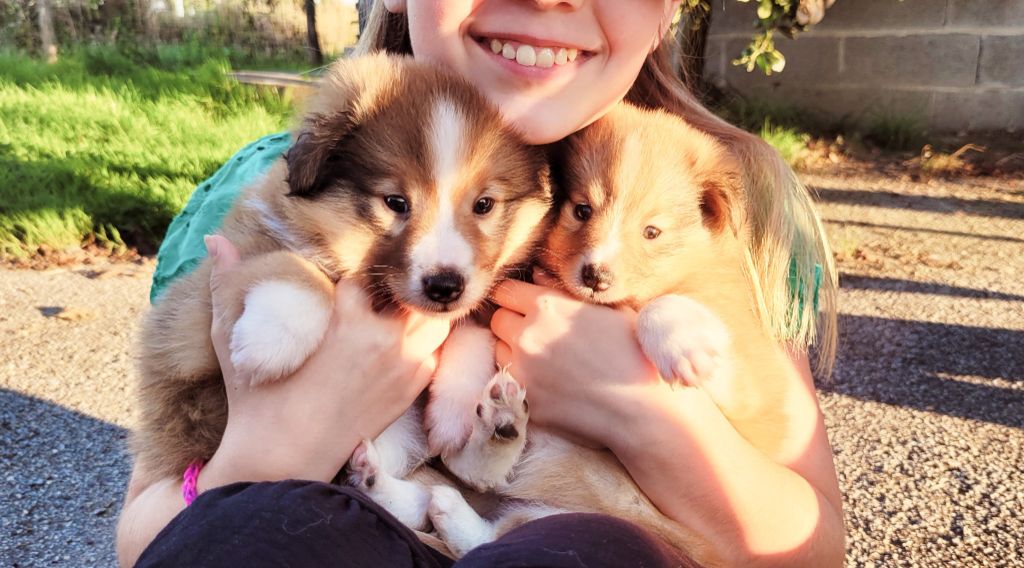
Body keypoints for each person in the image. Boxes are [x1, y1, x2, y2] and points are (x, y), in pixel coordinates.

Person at [117, 1, 845, 566]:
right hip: (345, 526)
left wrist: (644, 414)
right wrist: (274, 452)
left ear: (667, 11)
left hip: (574, 538)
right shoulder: (280, 180)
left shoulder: (720, 200)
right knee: (262, 541)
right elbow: (144, 541)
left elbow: (808, 550)